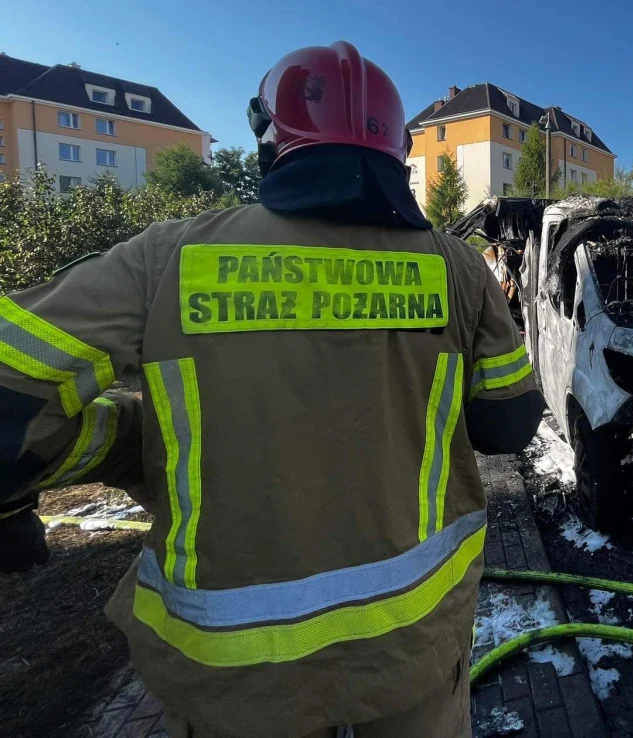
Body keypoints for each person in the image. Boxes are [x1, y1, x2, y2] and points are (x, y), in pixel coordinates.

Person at [0, 41, 543, 737]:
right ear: (396, 148)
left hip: (237, 674)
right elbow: (510, 423)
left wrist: (111, 449)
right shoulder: (458, 270)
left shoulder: (168, 260)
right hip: (413, 645)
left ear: (269, 136)